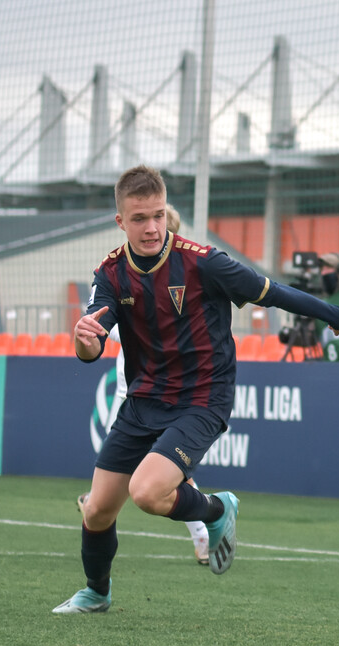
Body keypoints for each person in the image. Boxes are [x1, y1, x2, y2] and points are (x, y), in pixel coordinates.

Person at [54, 165, 339, 614]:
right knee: (97, 511)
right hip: (143, 400)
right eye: (139, 218)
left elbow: (269, 293)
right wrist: (86, 343)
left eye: (157, 215)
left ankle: (216, 511)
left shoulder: (203, 261)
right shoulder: (111, 273)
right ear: (121, 222)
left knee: (147, 492)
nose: (152, 227)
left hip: (201, 398)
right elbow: (93, 340)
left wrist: (332, 313)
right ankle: (97, 593)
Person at [74, 203, 210, 565]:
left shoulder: (184, 278)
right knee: (119, 480)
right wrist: (92, 330)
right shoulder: (121, 276)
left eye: (159, 224)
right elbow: (107, 326)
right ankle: (98, 561)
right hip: (129, 394)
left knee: (159, 478)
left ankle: (204, 529)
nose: (151, 232)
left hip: (163, 395)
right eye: (142, 222)